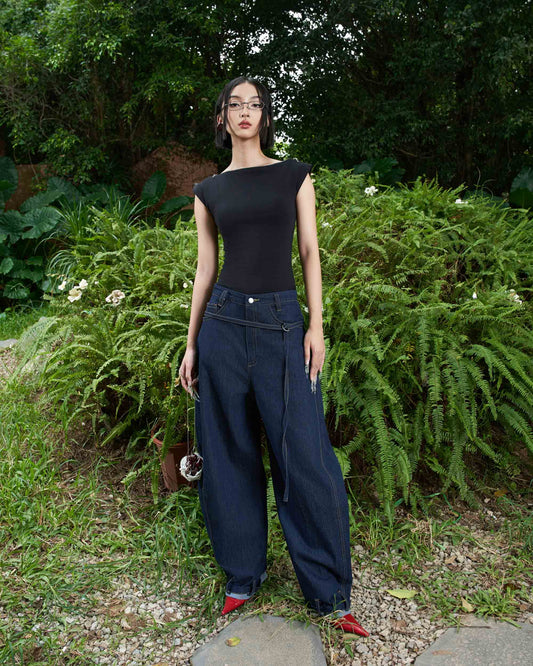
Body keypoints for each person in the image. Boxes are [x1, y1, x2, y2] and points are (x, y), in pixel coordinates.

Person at [179, 75, 369, 637]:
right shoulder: (208, 191)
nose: (245, 112)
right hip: (223, 325)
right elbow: (206, 270)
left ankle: (330, 594)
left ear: (264, 116)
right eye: (235, 104)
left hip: (283, 323)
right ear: (222, 117)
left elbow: (309, 251)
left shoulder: (293, 175)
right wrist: (191, 343)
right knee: (227, 450)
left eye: (255, 104)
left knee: (305, 453)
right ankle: (243, 576)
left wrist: (317, 326)